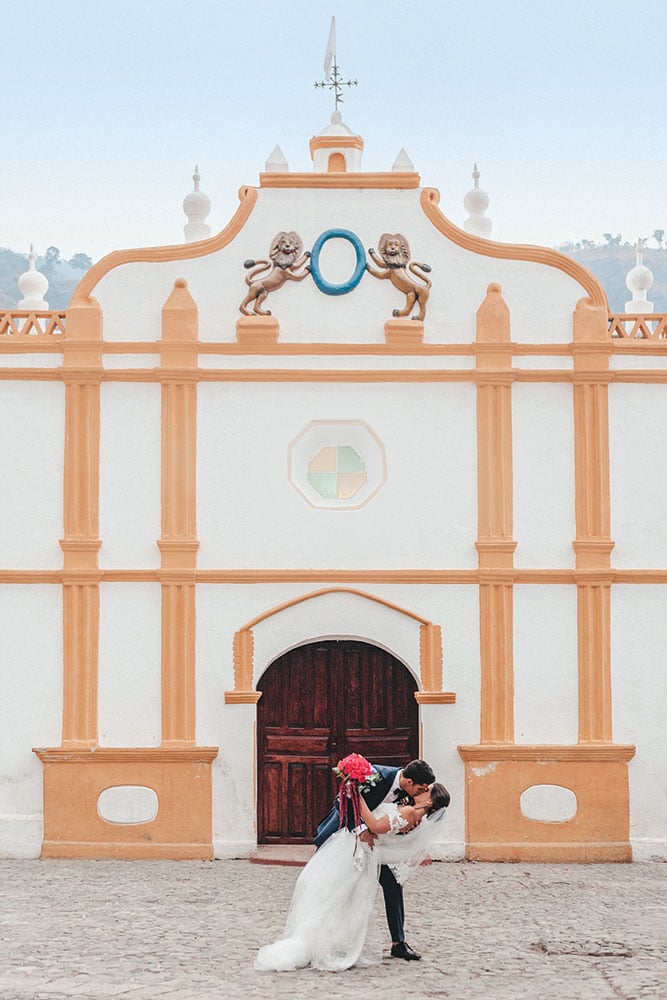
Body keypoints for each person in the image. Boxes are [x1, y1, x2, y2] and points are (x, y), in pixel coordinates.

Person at [255, 778, 450, 973]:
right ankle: (332, 940)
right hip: (362, 846)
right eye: (423, 787)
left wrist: (355, 795)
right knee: (346, 894)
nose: (422, 790)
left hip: (366, 849)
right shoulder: (406, 800)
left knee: (348, 893)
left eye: (427, 789)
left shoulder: (410, 812)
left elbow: (376, 826)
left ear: (430, 801)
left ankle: (385, 941)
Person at [314, 757, 436, 961]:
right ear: (409, 782)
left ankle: (398, 942)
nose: (423, 793)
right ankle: (326, 939)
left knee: (393, 884)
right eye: (421, 789)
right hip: (346, 836)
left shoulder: (408, 797)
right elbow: (341, 799)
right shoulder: (375, 775)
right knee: (340, 889)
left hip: (377, 847)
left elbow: (389, 820)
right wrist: (361, 829)